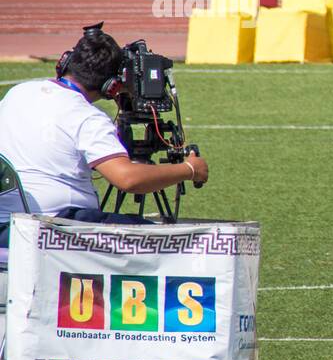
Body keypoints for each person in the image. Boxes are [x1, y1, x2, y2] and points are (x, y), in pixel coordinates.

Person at [0, 26, 209, 246]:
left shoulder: (19, 92)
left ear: (66, 62)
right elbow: (128, 179)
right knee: (155, 237)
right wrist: (190, 169)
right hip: (51, 231)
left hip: (5, 225)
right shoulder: (88, 117)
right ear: (111, 87)